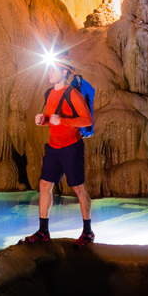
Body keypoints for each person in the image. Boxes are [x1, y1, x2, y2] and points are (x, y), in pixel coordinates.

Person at [20, 51, 95, 246]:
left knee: (78, 188)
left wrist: (63, 120)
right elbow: (51, 120)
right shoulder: (49, 93)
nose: (49, 73)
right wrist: (42, 120)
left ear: (63, 71)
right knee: (45, 186)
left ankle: (88, 232)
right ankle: (43, 231)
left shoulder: (73, 94)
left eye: (52, 69)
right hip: (53, 147)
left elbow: (87, 120)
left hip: (71, 147)